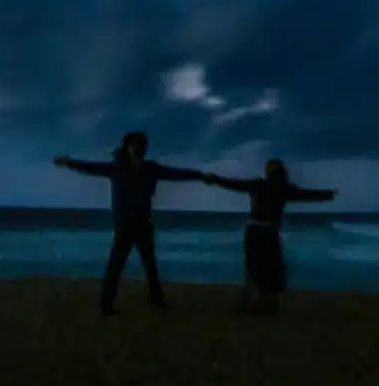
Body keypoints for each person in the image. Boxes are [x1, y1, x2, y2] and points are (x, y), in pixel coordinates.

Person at [54, 131, 211, 316]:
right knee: (116, 265)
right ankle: (106, 305)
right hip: (125, 225)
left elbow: (175, 174)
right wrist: (69, 162)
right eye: (134, 145)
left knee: (150, 265)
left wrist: (199, 175)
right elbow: (91, 167)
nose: (138, 148)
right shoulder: (117, 168)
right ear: (127, 147)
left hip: (144, 223)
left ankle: (156, 300)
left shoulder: (151, 169)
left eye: (141, 145)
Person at [204, 158, 336, 314]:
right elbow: (306, 194)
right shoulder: (283, 188)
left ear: (267, 172)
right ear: (282, 173)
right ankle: (265, 304)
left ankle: (250, 303)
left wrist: (215, 179)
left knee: (253, 267)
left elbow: (234, 184)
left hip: (253, 229)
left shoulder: (258, 184)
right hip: (268, 230)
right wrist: (327, 195)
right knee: (273, 267)